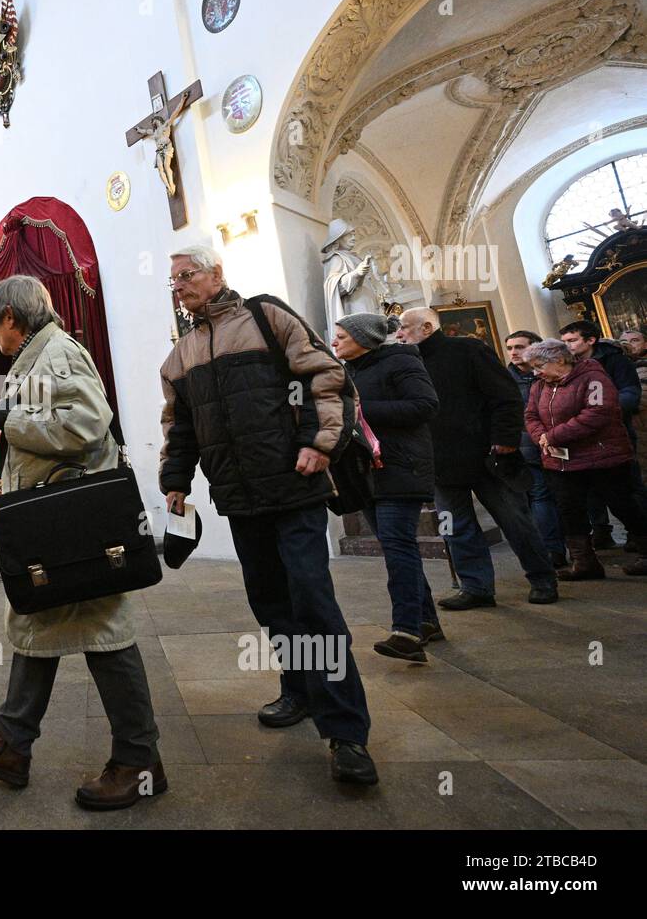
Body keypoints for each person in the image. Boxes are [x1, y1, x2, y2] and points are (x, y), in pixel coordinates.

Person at [0, 275, 164, 810]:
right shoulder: (39, 357)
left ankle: (138, 761)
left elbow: (87, 425)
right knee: (37, 618)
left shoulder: (57, 355)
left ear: (10, 319)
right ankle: (11, 745)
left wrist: (10, 421)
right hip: (58, 525)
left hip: (73, 527)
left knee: (104, 631)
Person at [160, 244, 377, 786]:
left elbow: (326, 376)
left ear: (216, 274)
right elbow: (179, 425)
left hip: (294, 485)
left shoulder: (265, 315)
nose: (179, 285)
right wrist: (175, 481)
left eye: (187, 275)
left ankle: (346, 732)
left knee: (312, 600)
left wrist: (321, 443)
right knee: (270, 599)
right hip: (239, 496)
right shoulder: (181, 353)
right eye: (173, 280)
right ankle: (299, 688)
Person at [397, 308, 559, 607]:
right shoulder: (407, 362)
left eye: (405, 328)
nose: (399, 334)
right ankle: (476, 587)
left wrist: (505, 441)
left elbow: (505, 397)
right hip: (440, 462)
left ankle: (542, 578)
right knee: (454, 526)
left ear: (428, 327)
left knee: (515, 521)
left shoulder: (469, 350)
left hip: (488, 456)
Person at [332, 313, 442, 661]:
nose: (334, 343)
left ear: (364, 339)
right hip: (368, 473)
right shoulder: (350, 371)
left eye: (341, 337)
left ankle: (406, 631)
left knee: (397, 546)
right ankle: (426, 621)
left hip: (400, 466)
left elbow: (425, 405)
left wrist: (360, 412)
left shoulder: (400, 361)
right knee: (396, 546)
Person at [522, 339, 647, 577]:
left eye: (539, 366)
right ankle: (585, 562)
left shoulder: (593, 378)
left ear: (559, 360)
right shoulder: (540, 385)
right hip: (560, 461)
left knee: (624, 505)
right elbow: (530, 414)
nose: (536, 372)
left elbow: (598, 412)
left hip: (603, 457)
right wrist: (542, 437)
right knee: (570, 510)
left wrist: (554, 435)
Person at [559, 320, 646, 550]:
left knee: (625, 487)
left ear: (590, 340)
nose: (567, 346)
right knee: (589, 488)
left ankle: (638, 534)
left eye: (572, 340)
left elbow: (630, 392)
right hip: (580, 434)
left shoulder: (614, 360)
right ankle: (601, 530)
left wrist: (602, 411)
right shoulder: (566, 363)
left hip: (614, 430)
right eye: (564, 341)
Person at [506, 330, 567, 568]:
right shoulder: (504, 377)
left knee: (566, 496)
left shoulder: (549, 374)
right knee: (540, 496)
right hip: (528, 446)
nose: (514, 352)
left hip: (562, 441)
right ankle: (552, 549)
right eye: (510, 348)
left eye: (519, 347)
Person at [622, 329, 647, 483]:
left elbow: (640, 400)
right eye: (624, 342)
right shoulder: (624, 368)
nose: (629, 344)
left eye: (634, 340)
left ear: (645, 344)